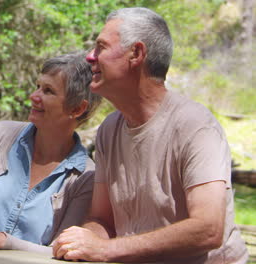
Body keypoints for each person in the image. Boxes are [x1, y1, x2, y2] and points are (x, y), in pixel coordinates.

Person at [53, 7, 248, 264]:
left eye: (101, 47)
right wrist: (83, 241)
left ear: (136, 54)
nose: (90, 57)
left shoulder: (195, 125)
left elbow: (209, 229)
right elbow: (102, 219)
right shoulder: (109, 130)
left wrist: (106, 250)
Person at [0, 51, 102, 253]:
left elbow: (63, 250)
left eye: (48, 91)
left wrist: (4, 242)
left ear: (77, 109)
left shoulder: (86, 177)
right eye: (37, 86)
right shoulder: (0, 135)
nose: (34, 96)